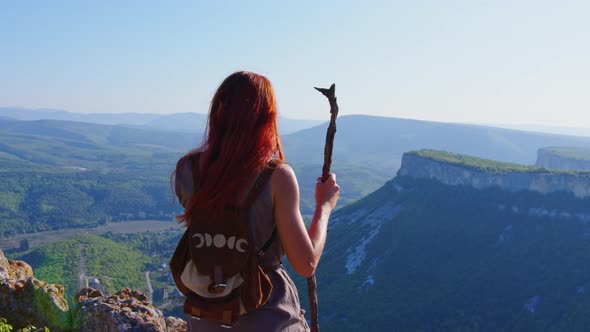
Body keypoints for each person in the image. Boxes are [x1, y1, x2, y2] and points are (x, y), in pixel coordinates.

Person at [173, 71, 340, 332]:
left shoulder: (187, 169)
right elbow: (305, 264)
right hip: (267, 314)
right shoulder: (276, 177)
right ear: (266, 119)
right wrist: (324, 207)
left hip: (205, 313)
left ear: (217, 113)